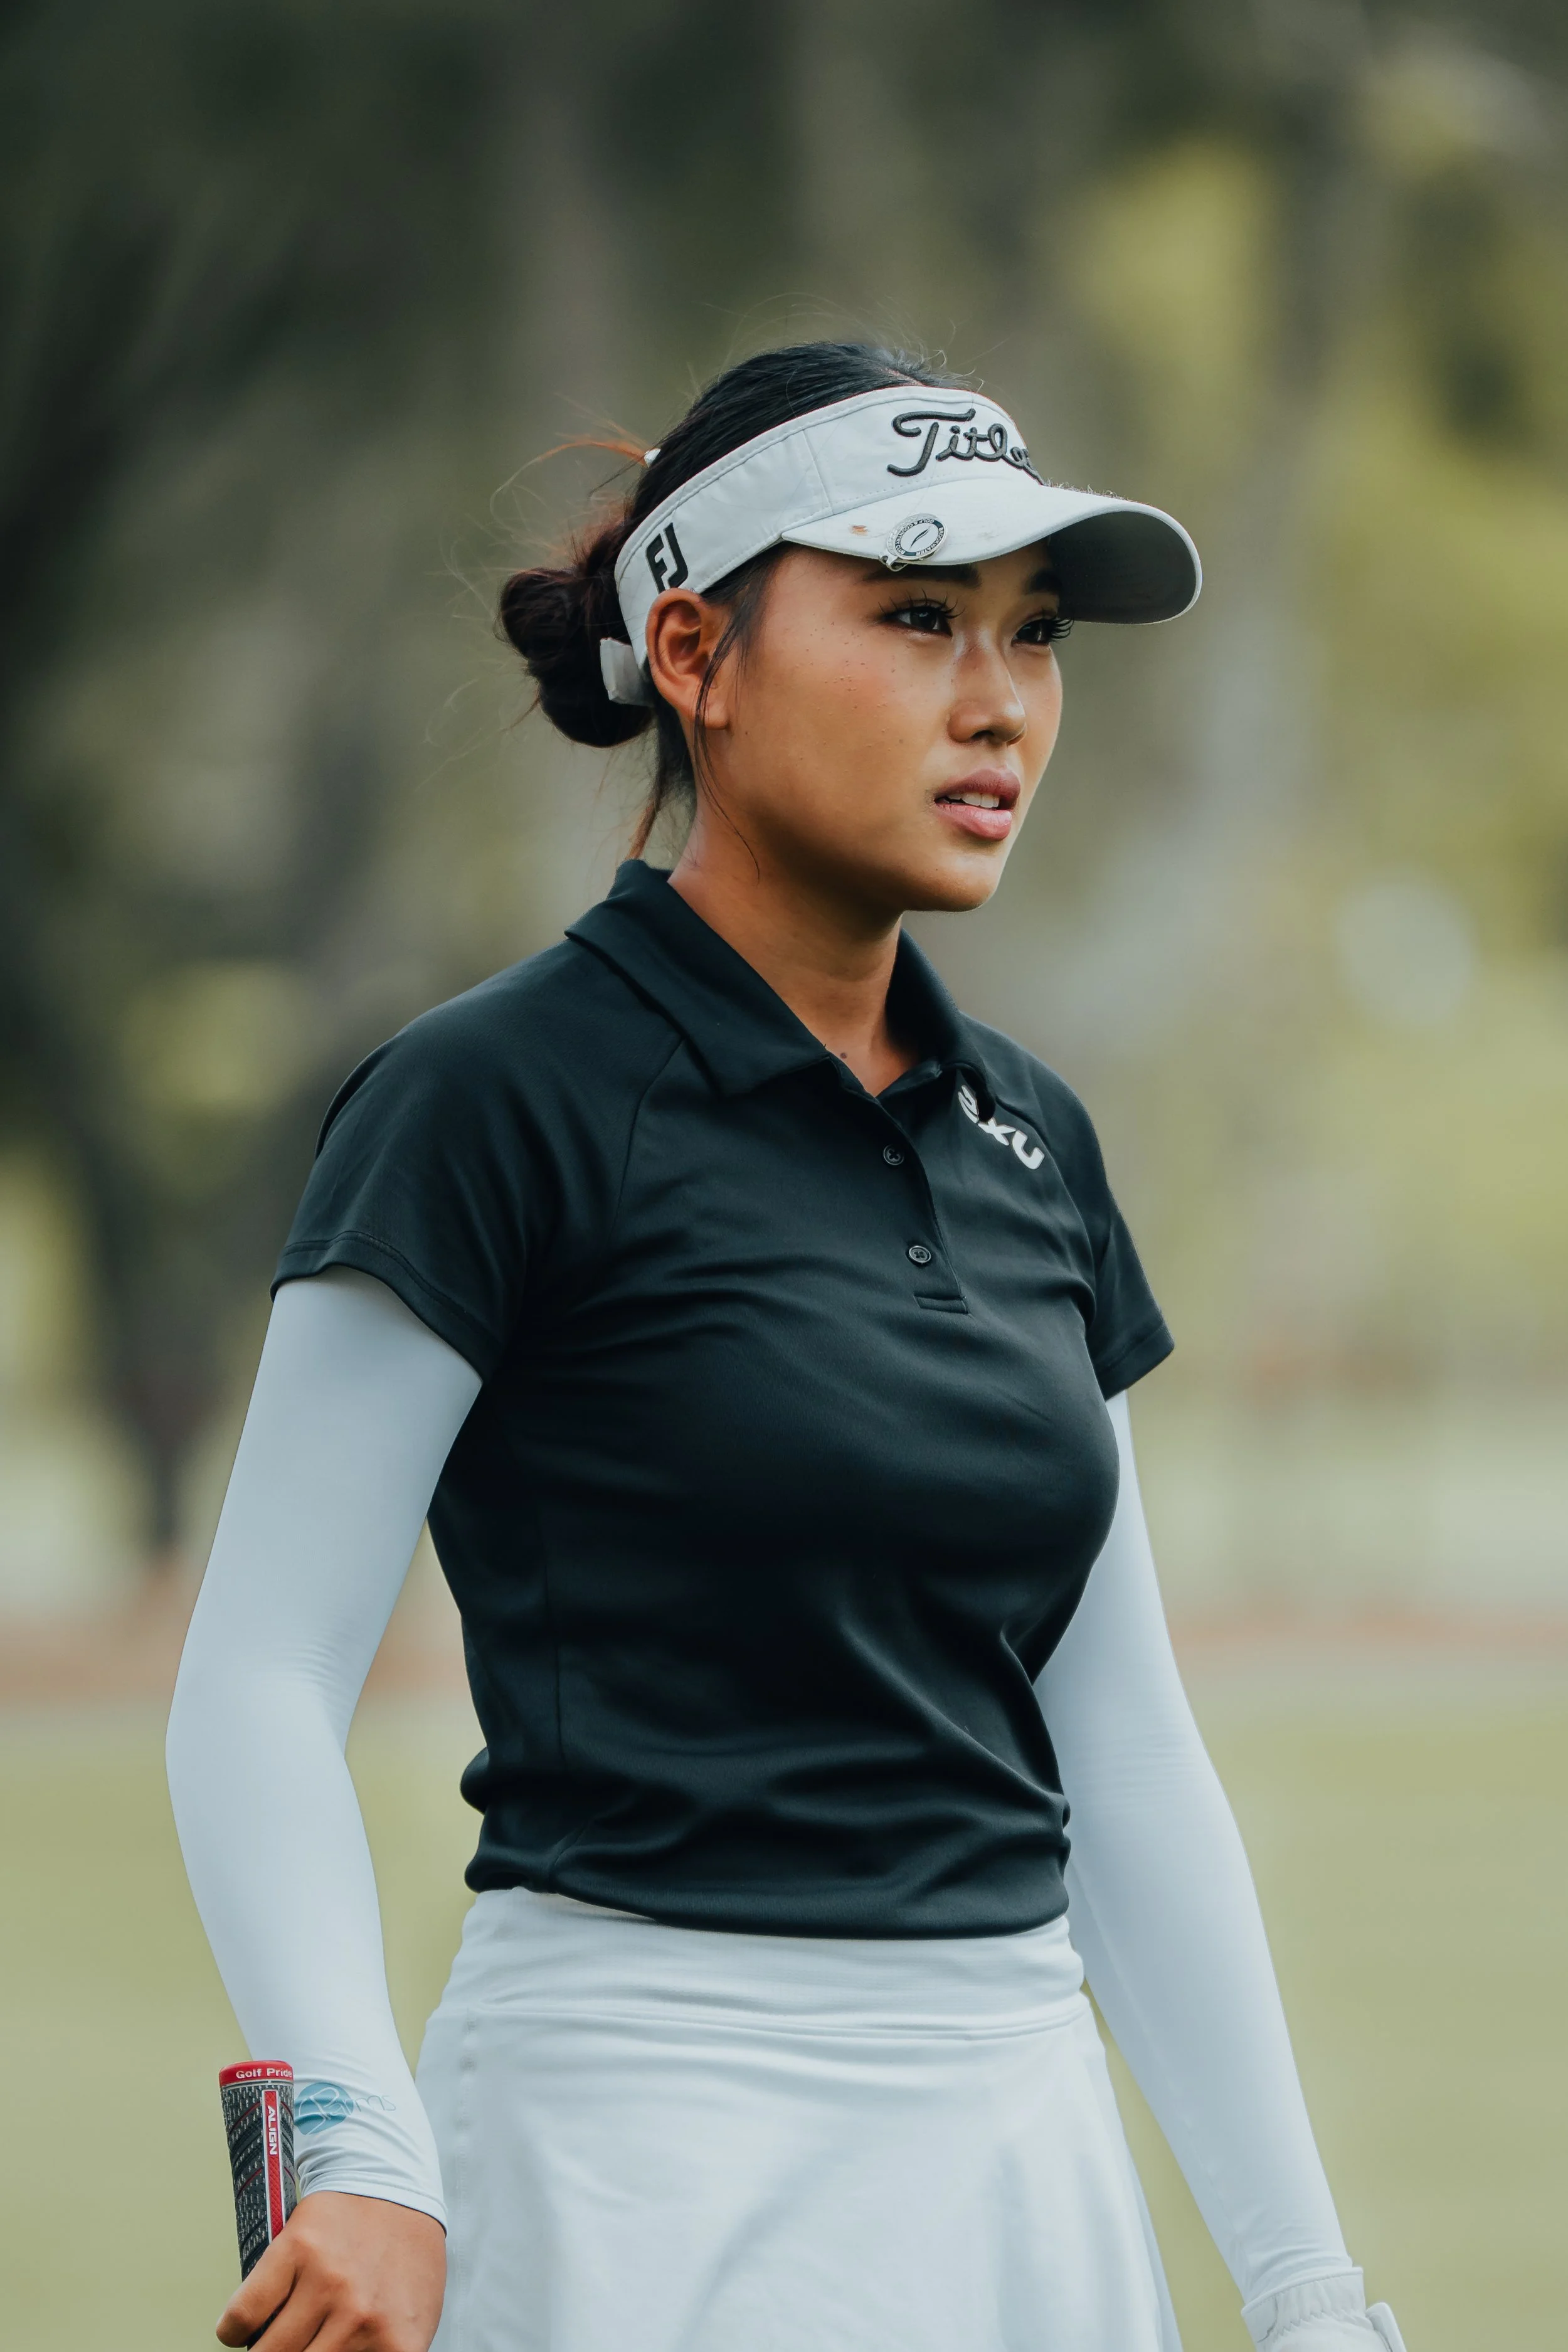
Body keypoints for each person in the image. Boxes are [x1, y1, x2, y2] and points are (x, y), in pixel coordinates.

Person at [167, 341, 1409, 2352]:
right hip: (627, 2150)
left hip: (1017, 2150)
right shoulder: (487, 1098)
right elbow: (255, 1681)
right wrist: (361, 2144)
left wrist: (1304, 2286)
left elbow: (1124, 1750)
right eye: (914, 616)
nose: (996, 698)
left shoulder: (1033, 1139)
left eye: (1030, 633)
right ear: (693, 652)